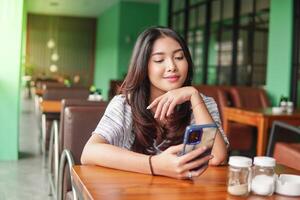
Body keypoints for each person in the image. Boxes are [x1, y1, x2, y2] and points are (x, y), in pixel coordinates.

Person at [81, 26, 229, 179]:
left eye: (179, 57)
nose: (172, 67)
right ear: (144, 66)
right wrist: (155, 164)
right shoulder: (125, 104)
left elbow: (217, 157)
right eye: (159, 60)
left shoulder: (202, 103)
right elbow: (89, 152)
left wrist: (194, 96)